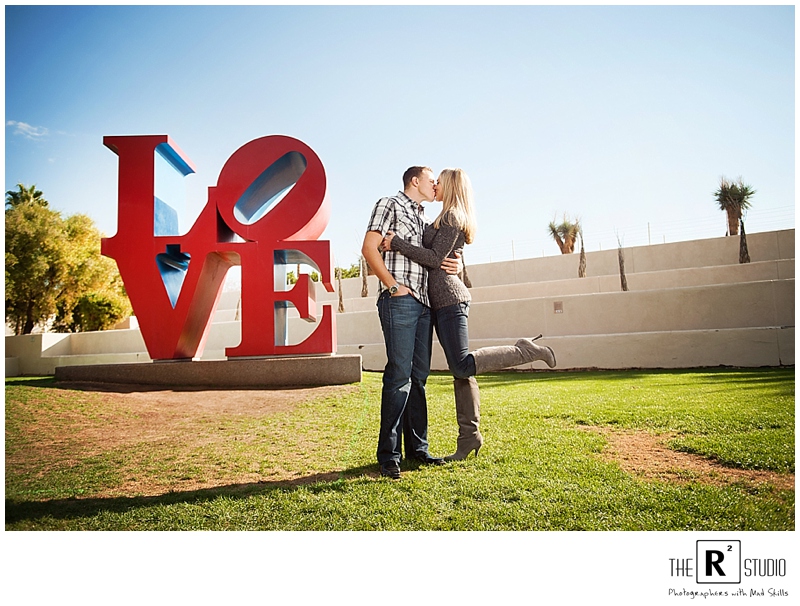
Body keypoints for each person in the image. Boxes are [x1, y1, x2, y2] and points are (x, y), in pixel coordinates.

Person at [383, 168, 556, 461]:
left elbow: (435, 259)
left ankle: (523, 350)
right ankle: (469, 438)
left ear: (450, 186)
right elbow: (442, 256)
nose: (435, 185)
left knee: (462, 365)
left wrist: (396, 243)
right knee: (461, 371)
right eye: (432, 180)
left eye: (440, 181)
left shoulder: (452, 217)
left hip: (451, 300)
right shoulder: (443, 216)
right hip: (438, 303)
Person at [361, 166, 461, 480]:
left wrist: (457, 262)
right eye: (432, 180)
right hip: (400, 299)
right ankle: (389, 456)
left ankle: (417, 449)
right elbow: (368, 248)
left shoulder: (424, 219)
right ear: (415, 181)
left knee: (418, 378)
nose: (436, 185)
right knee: (399, 376)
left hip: (425, 303)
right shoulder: (389, 203)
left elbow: (437, 253)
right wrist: (392, 286)